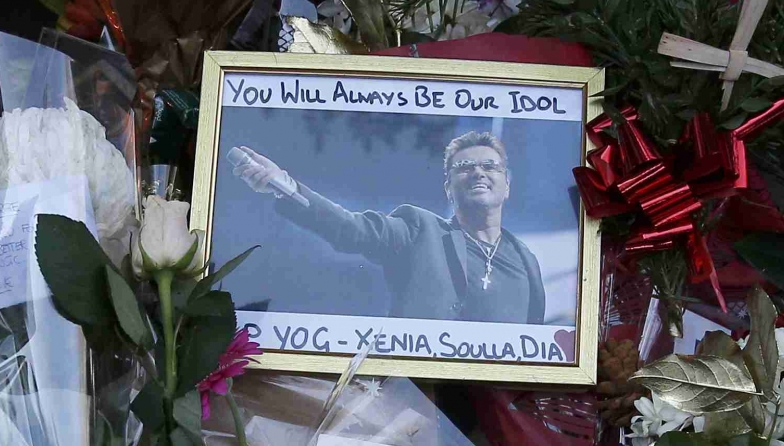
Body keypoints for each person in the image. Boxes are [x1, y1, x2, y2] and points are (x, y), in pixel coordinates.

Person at [227, 128, 547, 324]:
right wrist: (284, 185)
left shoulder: (527, 260)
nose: (478, 172)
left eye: (490, 166)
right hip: (414, 396)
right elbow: (351, 229)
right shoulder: (419, 230)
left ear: (507, 185)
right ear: (448, 189)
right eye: (464, 167)